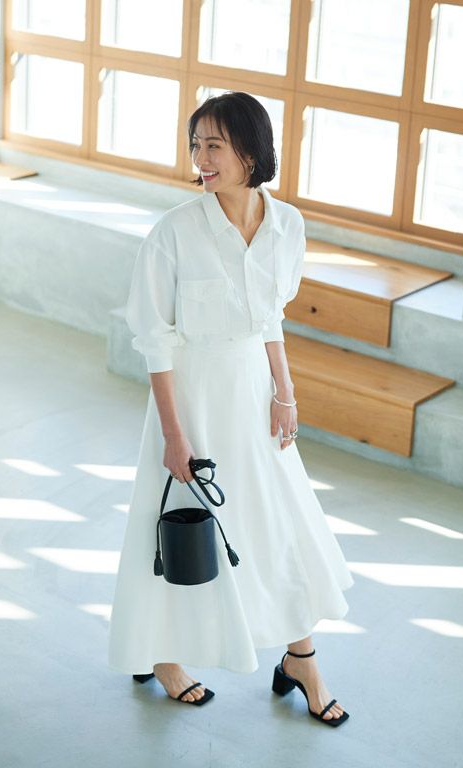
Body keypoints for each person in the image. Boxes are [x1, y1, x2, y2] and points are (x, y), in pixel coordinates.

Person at [108, 91, 353, 727]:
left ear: (251, 151)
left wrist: (285, 392)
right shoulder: (174, 233)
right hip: (190, 401)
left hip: (254, 397)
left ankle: (302, 659)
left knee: (281, 525)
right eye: (196, 145)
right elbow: (155, 342)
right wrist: (173, 435)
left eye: (214, 145)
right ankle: (162, 653)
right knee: (176, 527)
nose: (201, 158)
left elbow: (270, 317)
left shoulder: (287, 225)